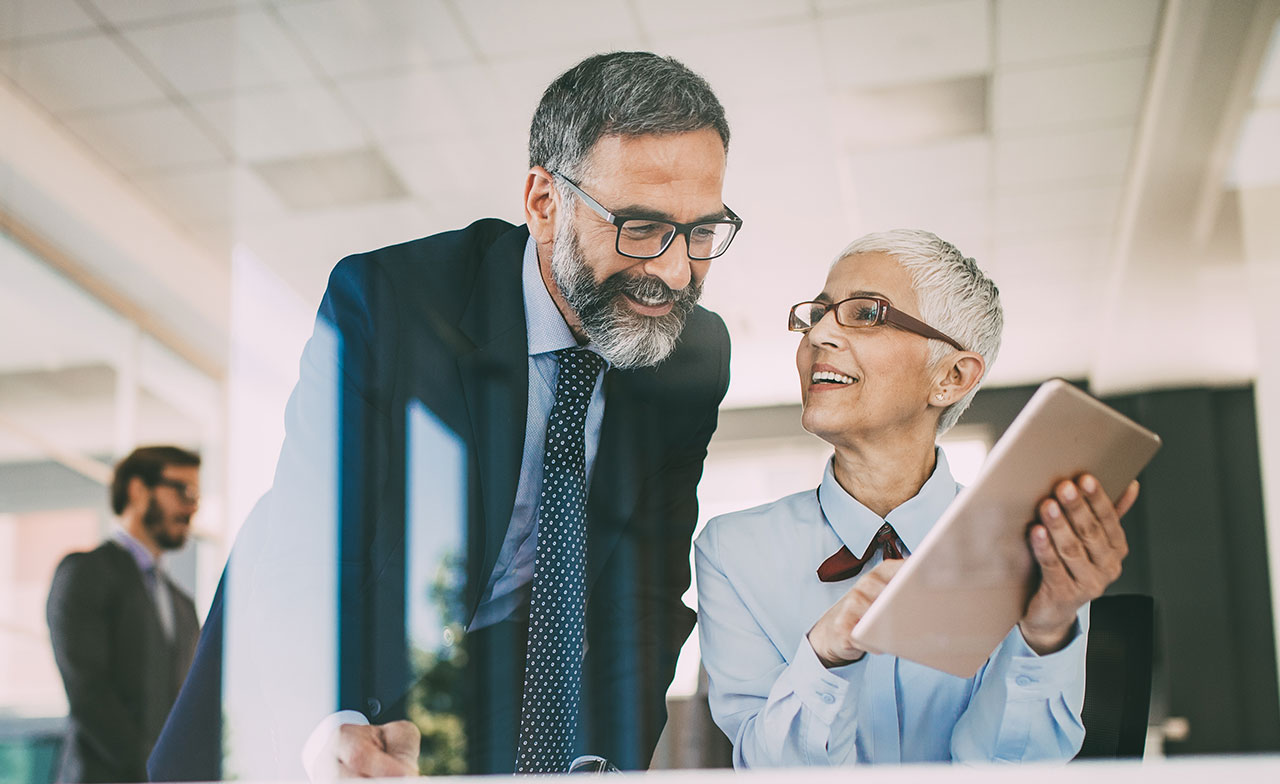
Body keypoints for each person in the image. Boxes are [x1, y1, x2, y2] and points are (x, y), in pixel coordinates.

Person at [149, 51, 737, 780]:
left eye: (702, 233)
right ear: (545, 203)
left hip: (497, 686)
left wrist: (603, 762)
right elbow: (312, 544)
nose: (676, 272)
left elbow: (642, 596)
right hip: (310, 667)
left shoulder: (692, 354)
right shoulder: (391, 303)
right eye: (642, 228)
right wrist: (330, 726)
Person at [695, 230, 1138, 767]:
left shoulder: (1035, 543)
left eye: (865, 314)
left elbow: (1011, 769)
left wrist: (1044, 629)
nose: (818, 335)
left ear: (952, 376)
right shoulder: (732, 551)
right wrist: (825, 654)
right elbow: (768, 773)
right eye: (818, 314)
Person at [46, 446, 202, 783]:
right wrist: (150, 769)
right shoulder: (86, 573)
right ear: (137, 490)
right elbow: (88, 692)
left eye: (197, 495)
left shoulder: (182, 605)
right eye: (183, 491)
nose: (192, 507)